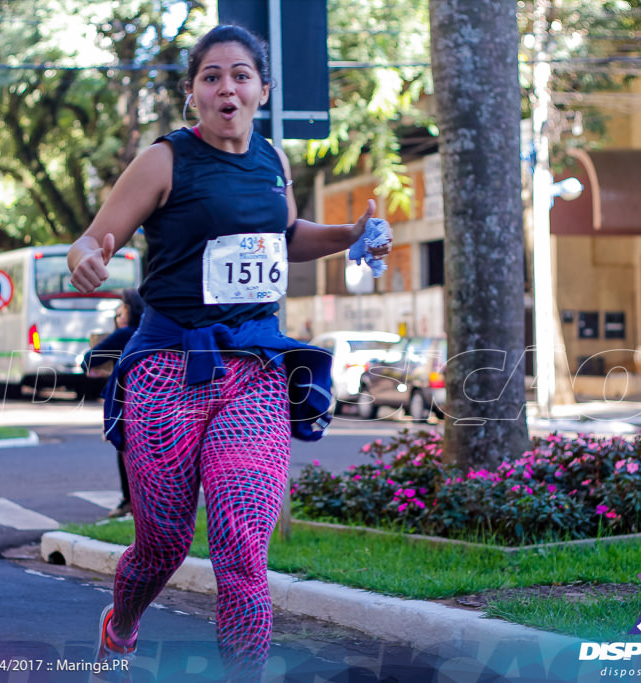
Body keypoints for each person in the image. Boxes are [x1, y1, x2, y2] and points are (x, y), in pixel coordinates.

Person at [67, 24, 391, 681]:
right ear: (193, 92)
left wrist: (353, 233)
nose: (227, 88)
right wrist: (88, 256)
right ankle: (122, 621)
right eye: (212, 76)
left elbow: (286, 234)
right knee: (161, 543)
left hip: (256, 371)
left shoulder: (273, 160)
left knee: (242, 549)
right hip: (168, 366)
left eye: (241, 75)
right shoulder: (166, 160)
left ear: (262, 90)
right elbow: (95, 237)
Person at [81, 288, 144, 517]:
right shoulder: (150, 332)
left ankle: (129, 501)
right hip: (159, 396)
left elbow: (90, 359)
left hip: (127, 399)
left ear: (129, 310)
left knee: (124, 448)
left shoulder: (125, 334)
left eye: (121, 310)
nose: (118, 315)